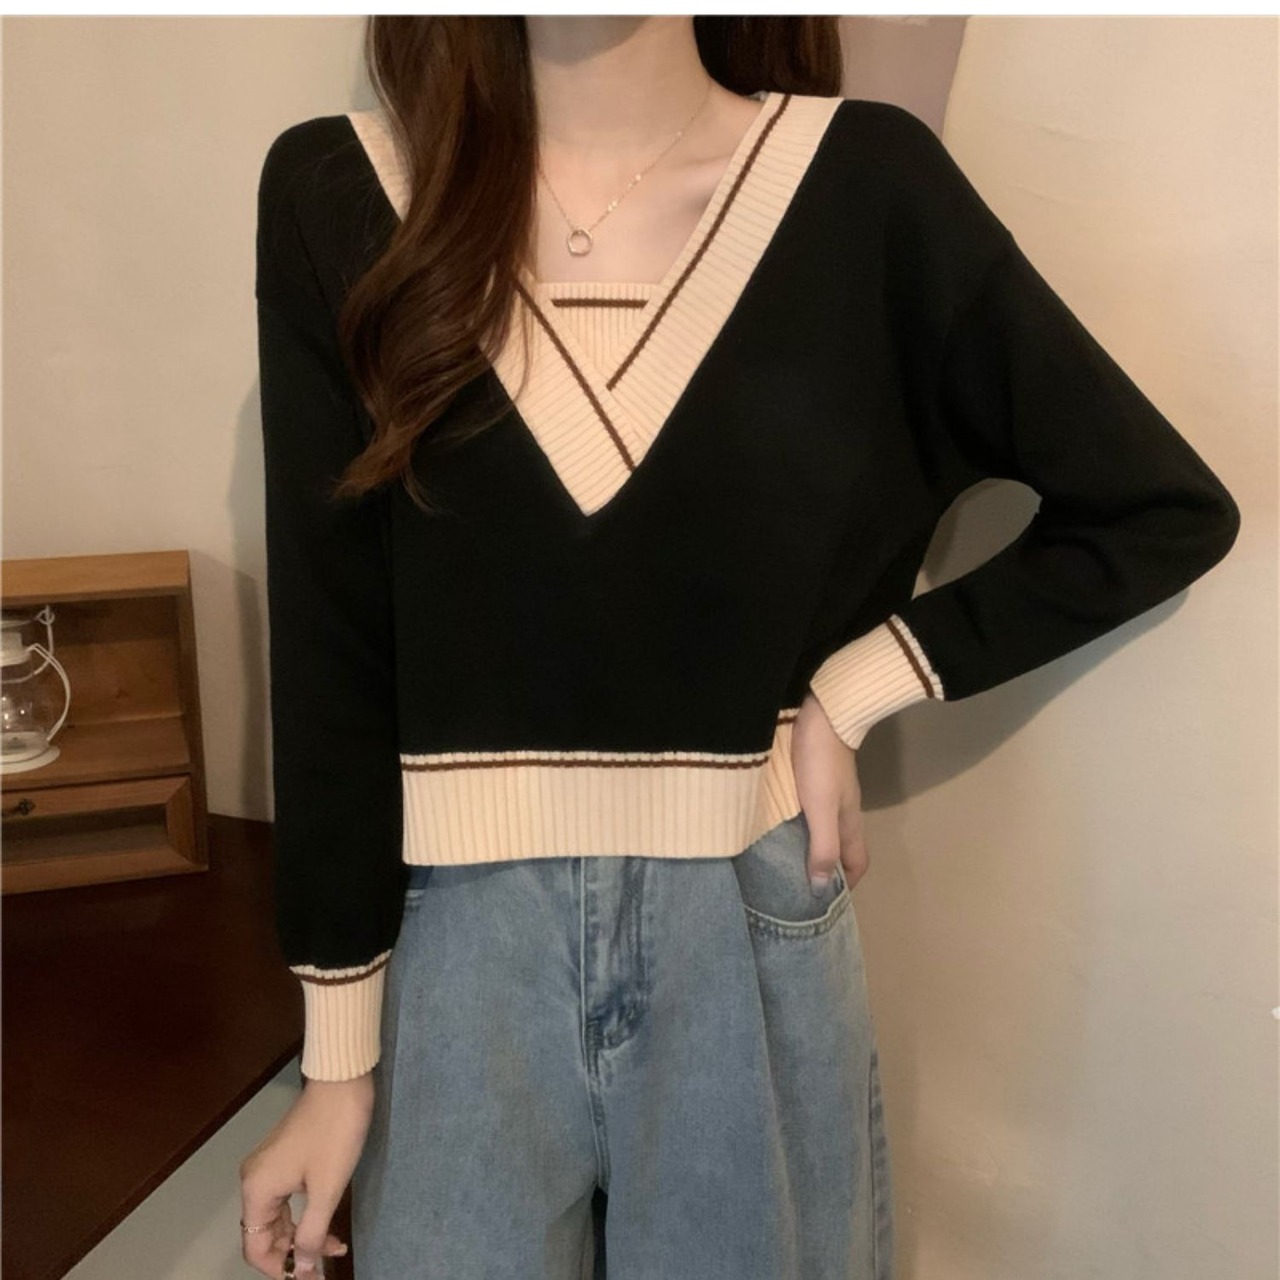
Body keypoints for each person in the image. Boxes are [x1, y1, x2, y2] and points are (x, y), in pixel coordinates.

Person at [239, 15, 1240, 1280]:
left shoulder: (861, 188)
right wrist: (336, 1059)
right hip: (452, 953)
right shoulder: (341, 192)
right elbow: (329, 646)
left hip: (747, 922)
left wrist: (855, 686)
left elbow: (1155, 505)